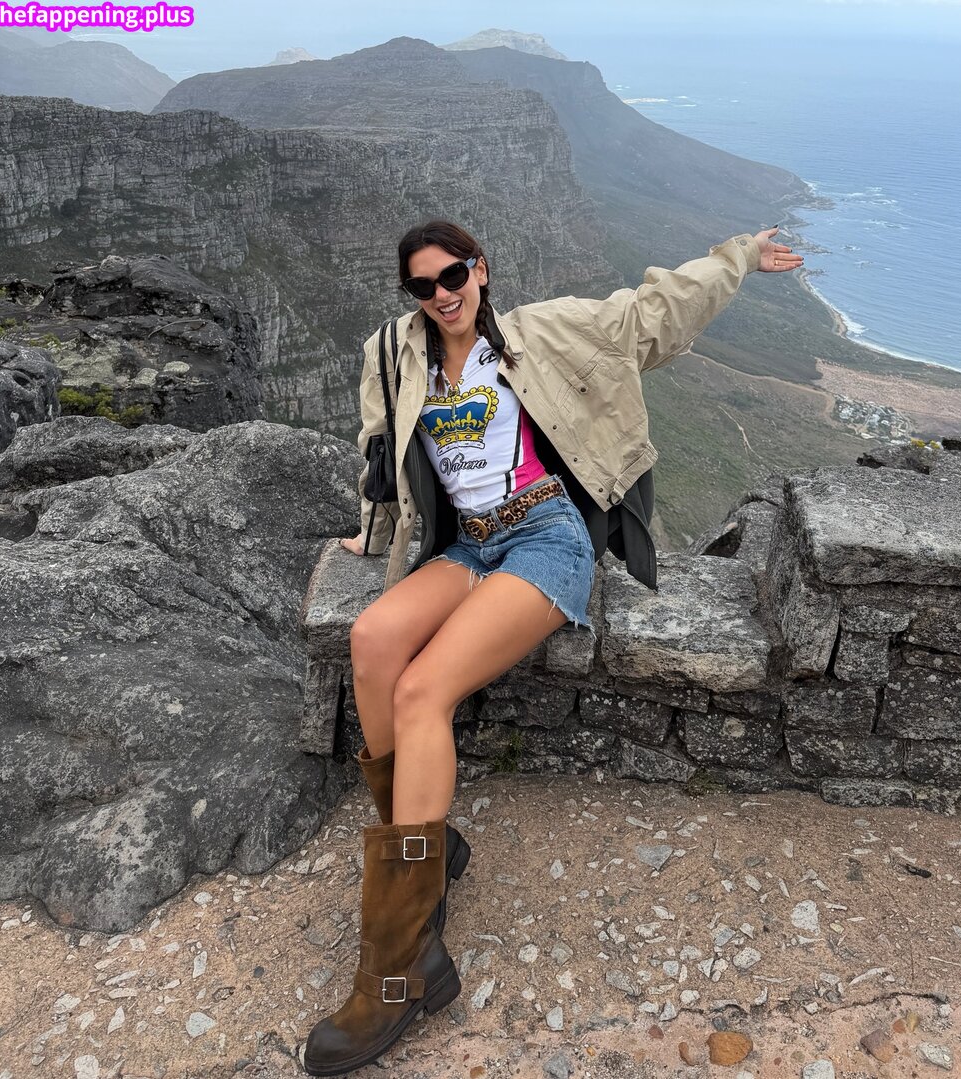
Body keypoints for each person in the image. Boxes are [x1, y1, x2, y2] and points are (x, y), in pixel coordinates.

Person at [301, 221, 803, 1075]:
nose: (442, 295)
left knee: (422, 693)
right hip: (466, 546)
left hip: (543, 537)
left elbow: (650, 315)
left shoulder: (539, 332)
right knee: (372, 637)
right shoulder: (394, 354)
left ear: (480, 271)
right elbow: (380, 457)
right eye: (423, 285)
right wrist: (370, 536)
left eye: (453, 275)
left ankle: (398, 967)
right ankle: (426, 855)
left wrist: (740, 259)